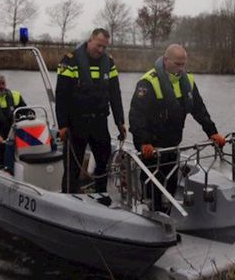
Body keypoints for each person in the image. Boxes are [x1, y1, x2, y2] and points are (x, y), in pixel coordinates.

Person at [128, 44, 225, 212]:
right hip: (151, 146)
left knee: (171, 182)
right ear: (166, 61)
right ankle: (149, 211)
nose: (181, 68)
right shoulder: (148, 82)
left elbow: (199, 109)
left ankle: (166, 213)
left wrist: (212, 131)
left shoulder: (188, 81)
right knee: (153, 184)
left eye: (183, 64)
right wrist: (143, 142)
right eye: (177, 64)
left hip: (172, 144)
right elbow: (136, 116)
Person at [55, 28, 127, 193]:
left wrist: (120, 121)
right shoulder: (70, 61)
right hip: (76, 123)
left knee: (103, 163)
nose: (100, 50)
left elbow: (115, 94)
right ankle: (68, 197)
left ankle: (101, 195)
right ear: (90, 40)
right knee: (72, 167)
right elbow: (62, 96)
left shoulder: (108, 62)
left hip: (99, 122)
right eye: (98, 45)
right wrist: (62, 125)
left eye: (104, 47)